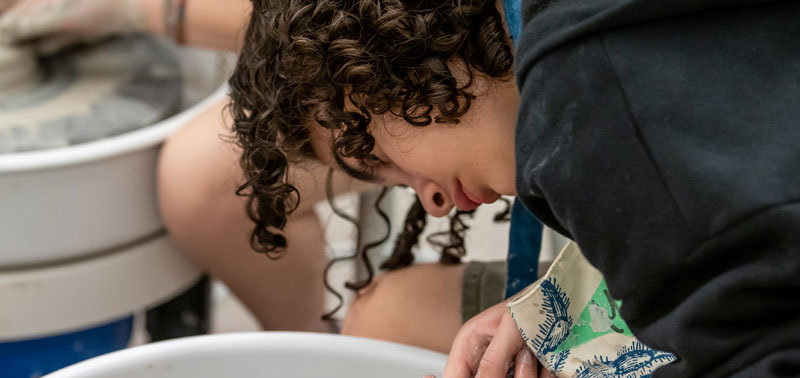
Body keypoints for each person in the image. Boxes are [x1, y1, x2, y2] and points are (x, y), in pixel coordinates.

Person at [226, 0, 800, 378]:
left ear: (391, 58)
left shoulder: (592, 117)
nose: (431, 199)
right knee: (388, 314)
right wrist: (558, 305)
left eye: (374, 151)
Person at [0, 0, 516, 348]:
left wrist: (142, 8)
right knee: (209, 177)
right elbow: (312, 29)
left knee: (384, 329)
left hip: (590, 281)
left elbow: (366, 29)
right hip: (496, 123)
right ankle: (303, 350)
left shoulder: (567, 93)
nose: (433, 203)